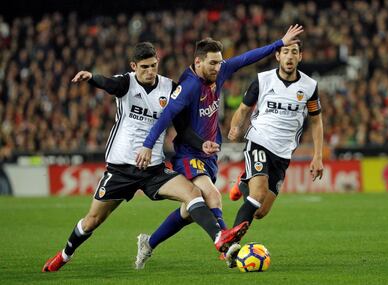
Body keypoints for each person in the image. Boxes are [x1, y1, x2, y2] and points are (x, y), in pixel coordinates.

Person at [42, 42, 249, 272]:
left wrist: (202, 144)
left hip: (153, 170)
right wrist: (91, 77)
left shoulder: (170, 88)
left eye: (153, 66)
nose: (150, 71)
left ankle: (220, 238)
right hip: (121, 169)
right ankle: (64, 255)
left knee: (193, 193)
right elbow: (109, 83)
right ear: (134, 66)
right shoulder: (126, 82)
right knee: (92, 220)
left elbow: (183, 129)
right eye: (144, 67)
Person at [134, 25, 304, 269]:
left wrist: (279, 42)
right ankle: (228, 248)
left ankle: (149, 243)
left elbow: (247, 58)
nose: (217, 68)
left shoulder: (219, 72)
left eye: (219, 63)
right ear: (198, 61)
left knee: (188, 211)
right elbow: (166, 115)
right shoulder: (189, 86)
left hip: (208, 155)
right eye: (212, 63)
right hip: (188, 154)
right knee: (212, 195)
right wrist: (147, 145)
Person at [225, 39, 324, 266]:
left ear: (300, 57)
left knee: (260, 211)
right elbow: (243, 109)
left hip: (283, 154)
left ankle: (243, 182)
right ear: (278, 56)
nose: (290, 56)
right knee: (257, 194)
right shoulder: (263, 80)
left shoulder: (309, 86)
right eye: (285, 52)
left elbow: (316, 121)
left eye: (294, 52)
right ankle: (230, 247)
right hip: (259, 141)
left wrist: (317, 156)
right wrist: (235, 127)